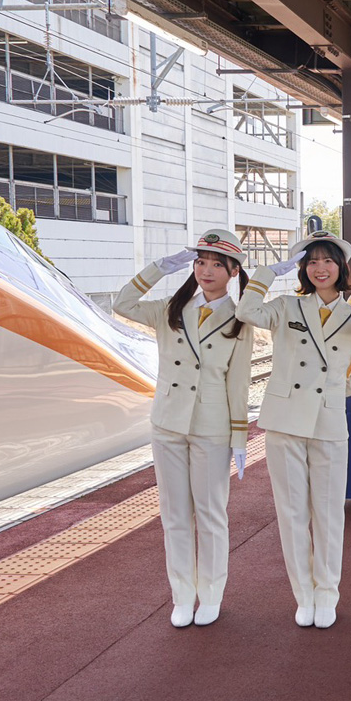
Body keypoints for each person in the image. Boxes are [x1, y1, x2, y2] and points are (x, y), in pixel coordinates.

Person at [113, 229, 253, 628]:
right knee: (174, 515)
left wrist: (239, 438)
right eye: (200, 262)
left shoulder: (241, 319)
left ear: (233, 272)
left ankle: (210, 594)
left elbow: (238, 384)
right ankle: (182, 595)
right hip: (168, 423)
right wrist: (160, 268)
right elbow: (122, 303)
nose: (206, 270)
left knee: (210, 515)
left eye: (216, 264)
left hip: (211, 426)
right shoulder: (171, 308)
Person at [235, 231, 351, 629]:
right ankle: (304, 595)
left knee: (329, 513)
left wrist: (327, 395)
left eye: (328, 260)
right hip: (284, 421)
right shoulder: (285, 306)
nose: (320, 268)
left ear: (341, 268)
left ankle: (327, 593)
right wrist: (265, 274)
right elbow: (246, 311)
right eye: (312, 261)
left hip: (328, 422)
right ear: (303, 269)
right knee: (292, 512)